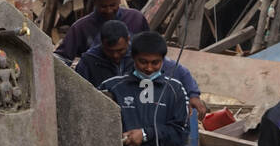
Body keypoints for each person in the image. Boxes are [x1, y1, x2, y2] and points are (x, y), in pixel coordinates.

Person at [99, 31, 191, 146]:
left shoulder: (175, 89)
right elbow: (96, 130)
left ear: (163, 60)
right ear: (133, 58)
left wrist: (145, 134)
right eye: (143, 62)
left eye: (155, 63)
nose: (149, 68)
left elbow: (180, 136)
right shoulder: (111, 87)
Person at [77, 20, 209, 120]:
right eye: (110, 51)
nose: (115, 56)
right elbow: (77, 91)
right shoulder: (89, 60)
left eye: (120, 50)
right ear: (102, 43)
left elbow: (179, 71)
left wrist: (193, 95)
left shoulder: (140, 54)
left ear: (128, 41)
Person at [54, 0, 150, 65]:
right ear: (94, 1)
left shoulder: (136, 19)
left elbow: (150, 49)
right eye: (103, 6)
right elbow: (61, 59)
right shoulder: (81, 28)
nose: (109, 11)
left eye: (112, 5)